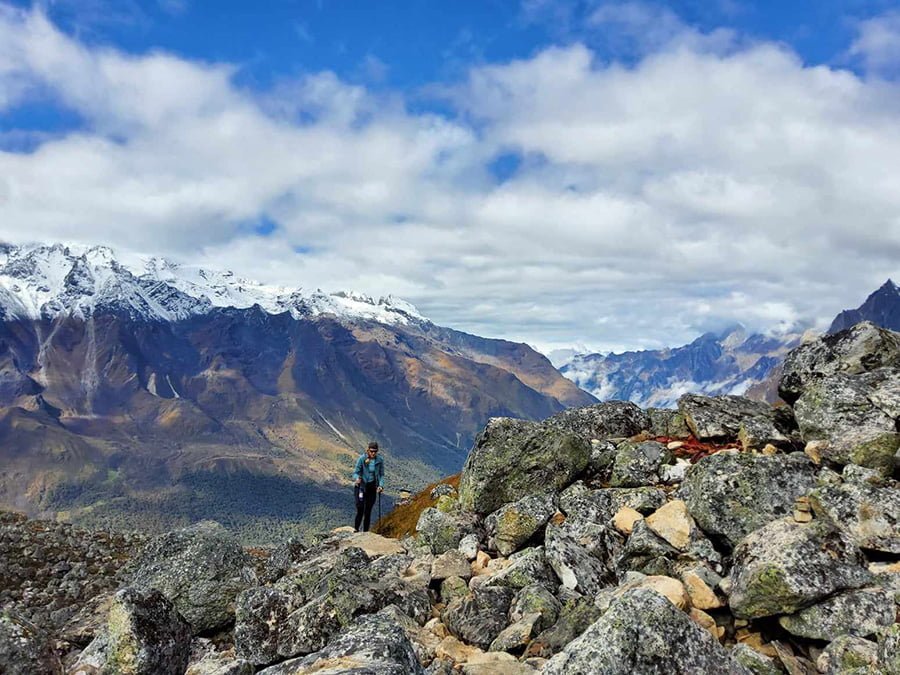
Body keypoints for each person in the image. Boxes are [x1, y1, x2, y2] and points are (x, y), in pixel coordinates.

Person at [353, 441, 384, 532]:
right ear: (368, 450)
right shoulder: (362, 459)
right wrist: (357, 478)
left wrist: (380, 485)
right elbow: (355, 472)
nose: (373, 453)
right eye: (371, 451)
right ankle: (356, 529)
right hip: (361, 486)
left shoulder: (379, 460)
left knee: (368, 511)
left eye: (375, 451)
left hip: (372, 487)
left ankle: (365, 532)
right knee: (360, 508)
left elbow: (381, 474)